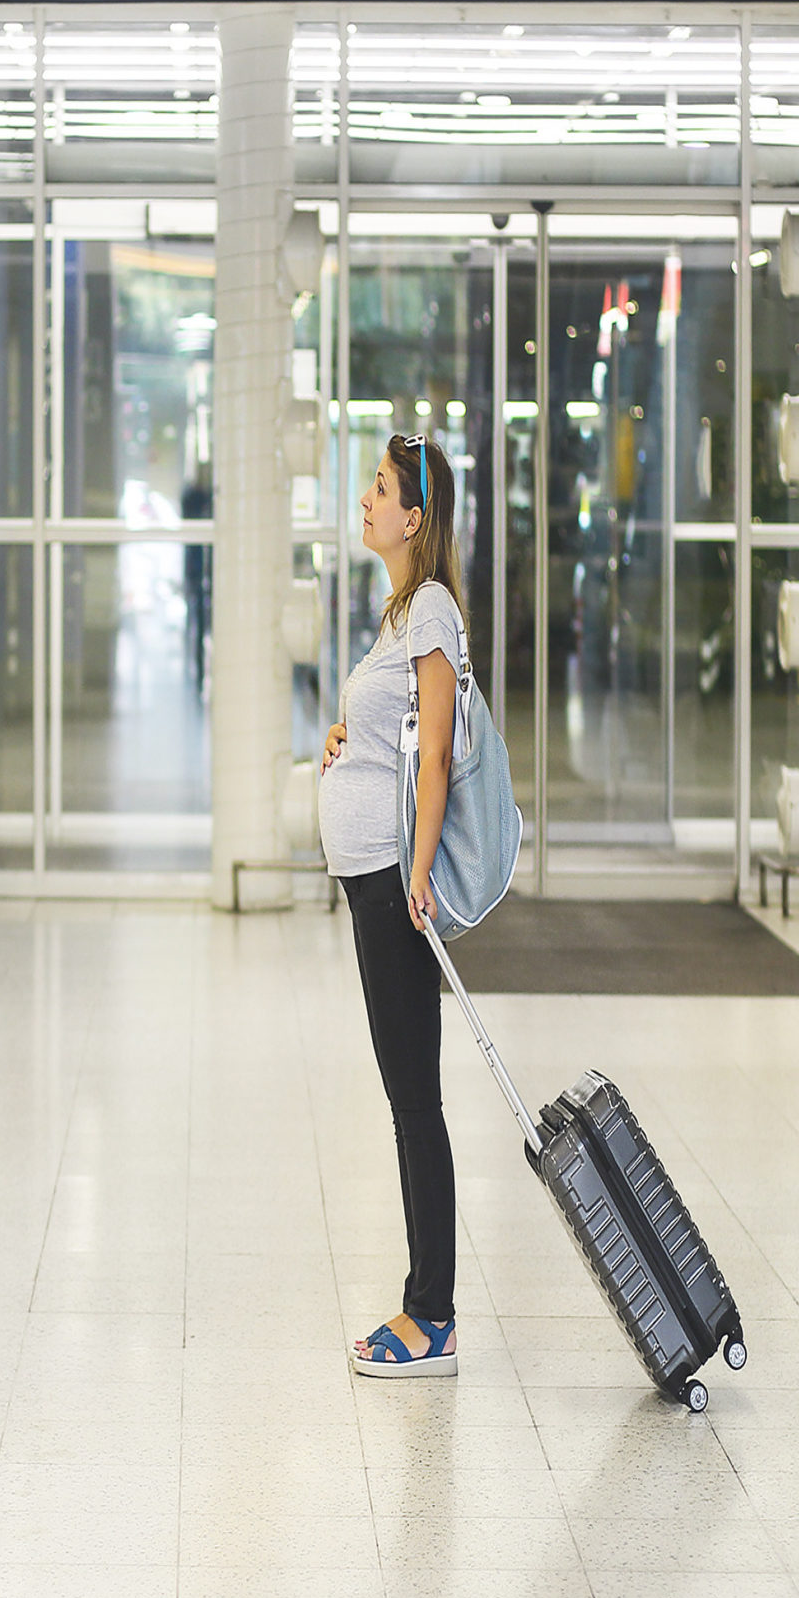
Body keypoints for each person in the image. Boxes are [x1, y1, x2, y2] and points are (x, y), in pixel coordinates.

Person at [317, 433, 468, 1378]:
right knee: (405, 1098)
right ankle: (426, 1307)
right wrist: (346, 738)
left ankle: (432, 1317)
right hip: (373, 881)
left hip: (394, 891)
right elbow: (397, 738)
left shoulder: (436, 611)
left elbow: (441, 754)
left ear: (414, 519)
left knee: (417, 1101)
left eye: (379, 490)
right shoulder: (401, 612)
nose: (365, 500)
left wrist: (415, 873)